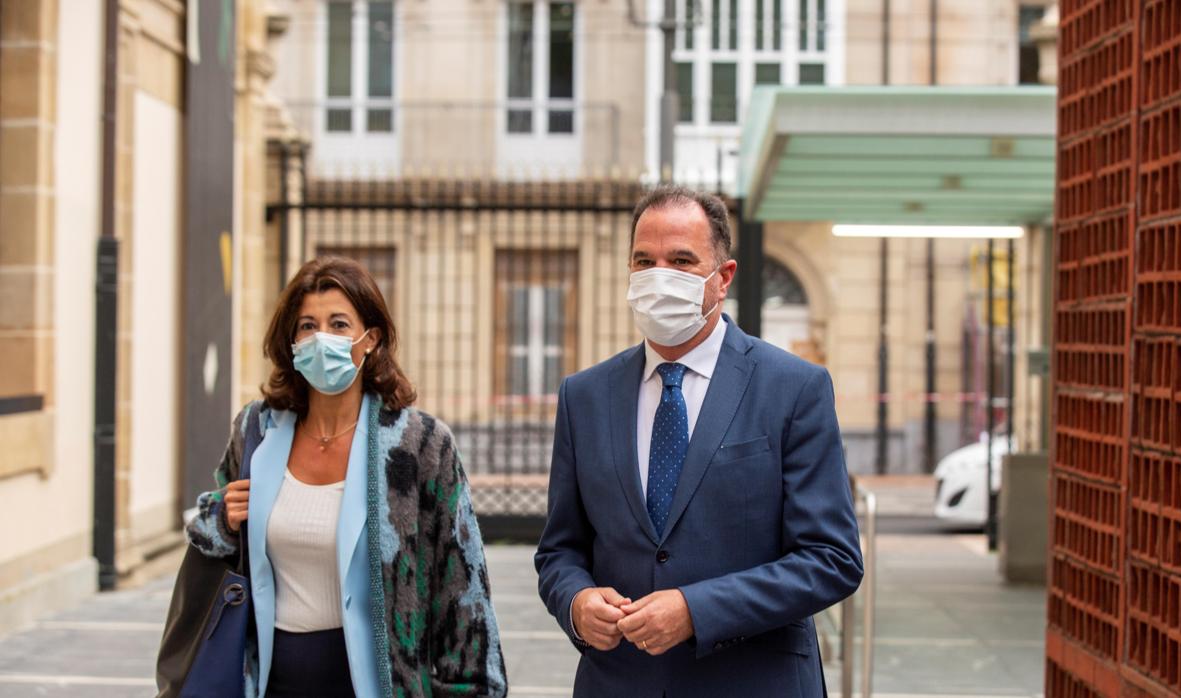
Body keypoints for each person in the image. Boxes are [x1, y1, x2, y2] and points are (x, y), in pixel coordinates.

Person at [535, 186, 863, 697]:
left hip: (755, 682)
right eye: (644, 260)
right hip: (620, 683)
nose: (658, 275)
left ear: (723, 278)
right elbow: (559, 551)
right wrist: (576, 603)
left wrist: (696, 611)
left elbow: (832, 558)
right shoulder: (585, 396)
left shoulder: (794, 388)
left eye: (681, 261)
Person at [187, 257, 507, 698]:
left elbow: (462, 586)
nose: (322, 338)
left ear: (370, 339)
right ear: (292, 341)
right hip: (266, 682)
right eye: (306, 326)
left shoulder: (420, 444)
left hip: (375, 685)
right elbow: (209, 529)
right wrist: (220, 520)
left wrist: (473, 688)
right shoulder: (256, 432)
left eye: (339, 324)